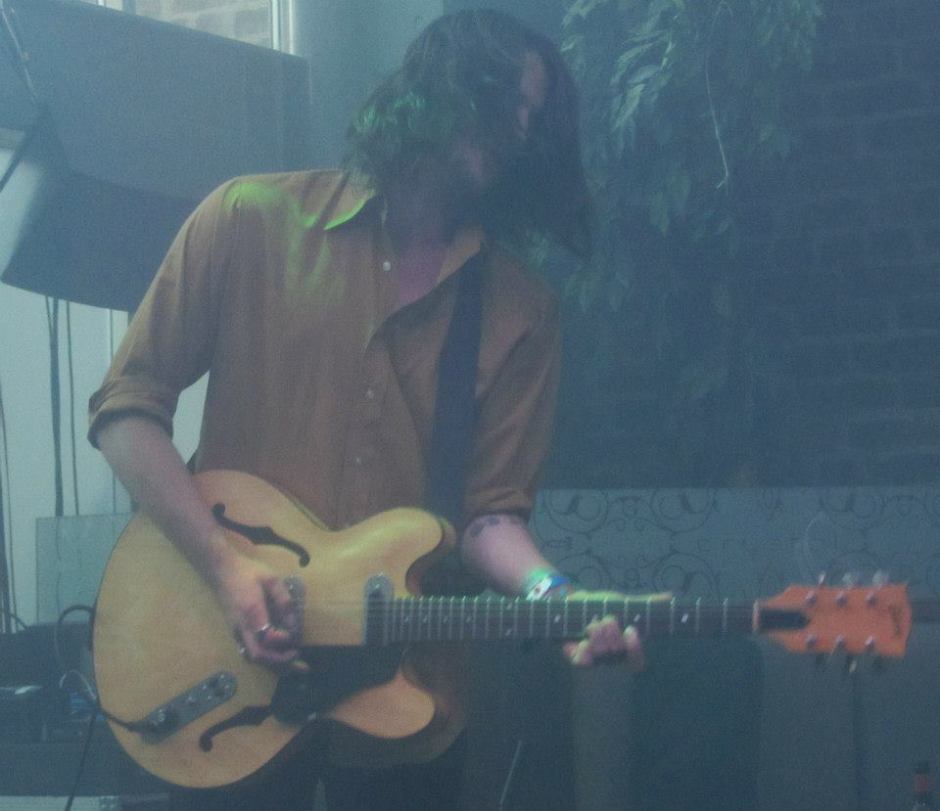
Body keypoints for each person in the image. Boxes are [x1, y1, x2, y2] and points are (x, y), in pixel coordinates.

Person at [88, 9, 643, 811]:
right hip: (232, 676)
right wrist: (227, 568)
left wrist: (558, 599)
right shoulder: (249, 220)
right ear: (441, 86)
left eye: (535, 119)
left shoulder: (520, 309)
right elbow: (126, 413)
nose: (520, 131)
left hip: (406, 698)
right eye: (506, 101)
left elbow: (489, 515)